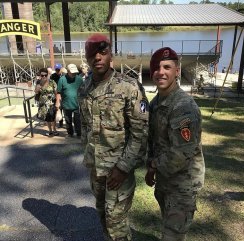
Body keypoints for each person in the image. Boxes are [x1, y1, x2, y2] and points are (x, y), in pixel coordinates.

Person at [78, 33, 148, 241]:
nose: (97, 57)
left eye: (103, 52)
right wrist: (89, 156)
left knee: (117, 226)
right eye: (92, 53)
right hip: (96, 170)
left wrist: (123, 168)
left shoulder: (129, 87)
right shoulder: (84, 87)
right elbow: (84, 126)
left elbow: (141, 132)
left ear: (111, 56)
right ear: (87, 58)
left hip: (119, 171)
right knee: (102, 217)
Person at [145, 47, 205, 241]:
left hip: (182, 186)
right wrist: (153, 169)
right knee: (168, 227)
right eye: (156, 67)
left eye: (167, 67)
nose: (160, 72)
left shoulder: (183, 106)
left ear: (177, 71)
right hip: (165, 181)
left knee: (172, 236)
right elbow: (155, 141)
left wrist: (153, 165)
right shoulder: (156, 103)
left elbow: (181, 153)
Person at [55, 63, 83, 137]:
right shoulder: (62, 79)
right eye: (72, 72)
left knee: (77, 121)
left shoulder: (79, 79)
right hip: (66, 104)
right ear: (68, 71)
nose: (74, 74)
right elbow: (58, 92)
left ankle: (79, 134)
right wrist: (57, 102)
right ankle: (70, 133)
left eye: (75, 72)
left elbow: (83, 91)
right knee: (68, 121)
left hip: (77, 104)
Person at [34, 68, 59, 137]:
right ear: (40, 75)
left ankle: (54, 130)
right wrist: (37, 88)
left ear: (48, 74)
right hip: (43, 103)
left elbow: (56, 92)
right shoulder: (38, 82)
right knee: (47, 118)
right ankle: (50, 131)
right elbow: (36, 92)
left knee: (53, 117)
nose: (44, 77)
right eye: (42, 75)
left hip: (52, 102)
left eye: (45, 75)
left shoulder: (52, 82)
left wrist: (57, 102)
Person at [50, 63, 64, 128]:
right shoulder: (53, 76)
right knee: (58, 108)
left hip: (64, 94)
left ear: (61, 69)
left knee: (65, 108)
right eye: (56, 69)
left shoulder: (64, 75)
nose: (57, 71)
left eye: (58, 69)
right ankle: (60, 122)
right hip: (56, 94)